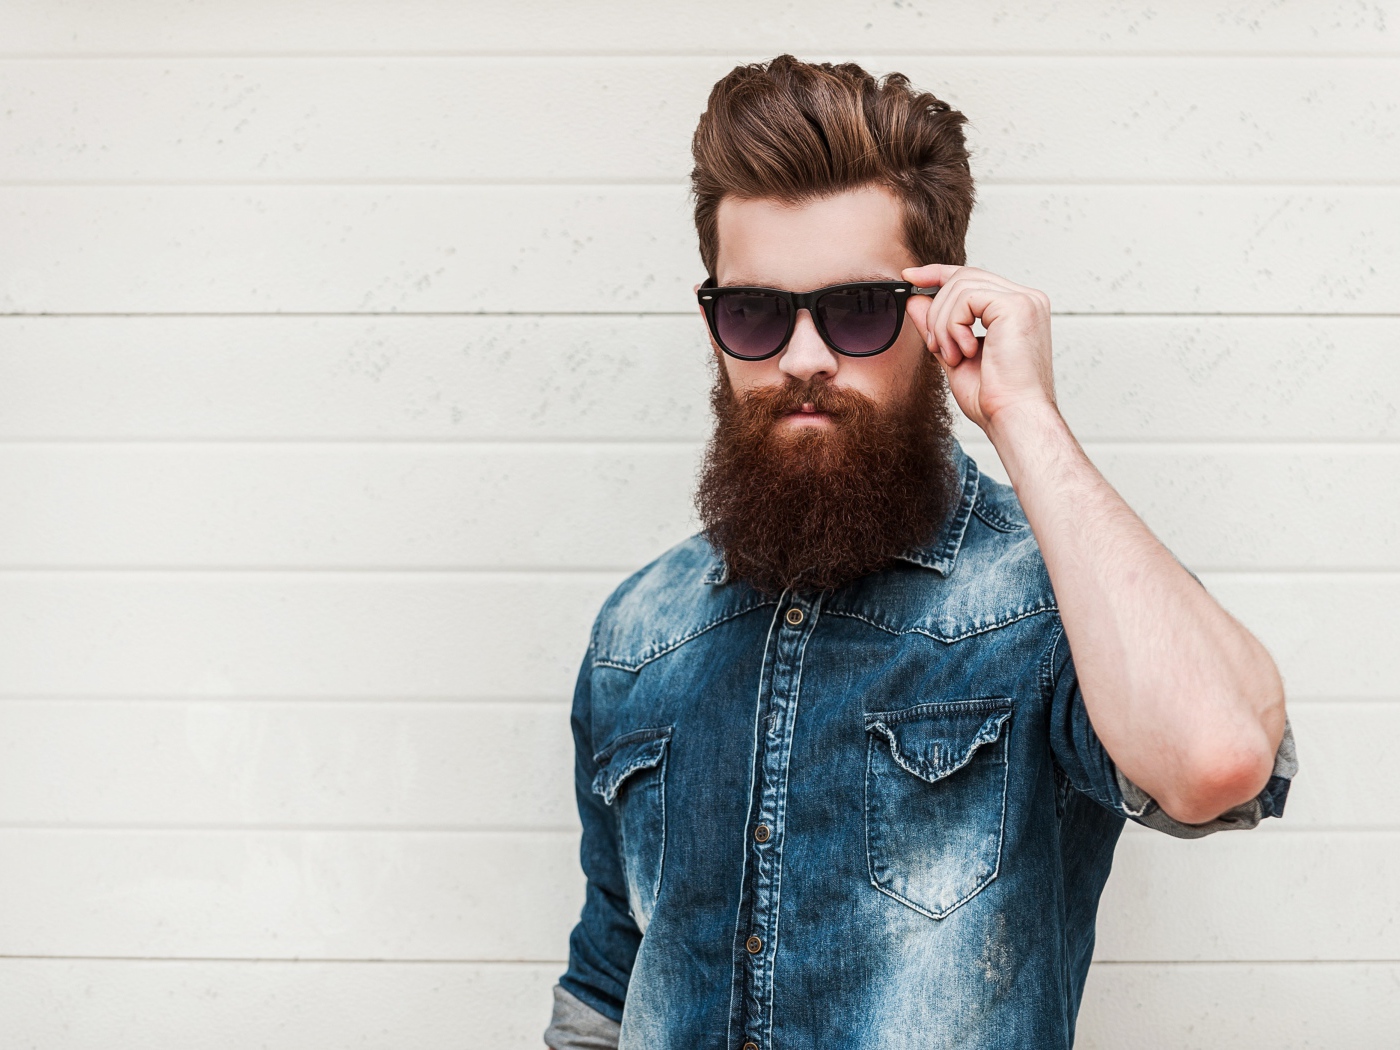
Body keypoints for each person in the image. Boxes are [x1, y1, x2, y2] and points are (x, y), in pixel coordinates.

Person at [544, 55, 1295, 1050]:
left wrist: (1021, 411)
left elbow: (1215, 761)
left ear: (936, 309)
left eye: (857, 309)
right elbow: (606, 982)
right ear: (713, 322)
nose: (802, 359)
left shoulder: (1046, 601)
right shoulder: (638, 631)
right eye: (754, 313)